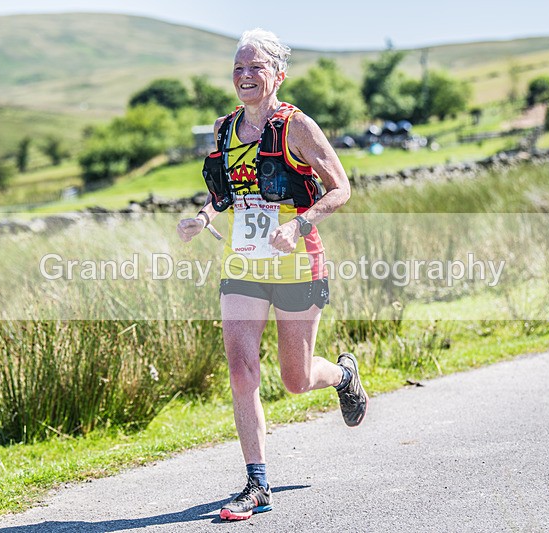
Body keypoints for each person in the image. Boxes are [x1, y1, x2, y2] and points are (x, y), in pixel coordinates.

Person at [176, 28, 368, 521]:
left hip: (298, 260)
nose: (244, 76)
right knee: (242, 371)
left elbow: (341, 188)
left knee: (296, 379)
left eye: (255, 67)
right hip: (242, 264)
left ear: (277, 75)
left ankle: (344, 375)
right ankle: (257, 482)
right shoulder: (224, 129)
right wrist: (202, 218)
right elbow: (227, 191)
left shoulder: (298, 127)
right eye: (238, 68)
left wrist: (300, 223)